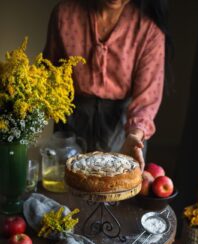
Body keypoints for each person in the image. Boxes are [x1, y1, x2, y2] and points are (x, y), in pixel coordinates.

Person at [43, 0, 169, 171]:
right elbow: (49, 71)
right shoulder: (64, 14)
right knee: (66, 190)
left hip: (122, 128)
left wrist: (134, 137)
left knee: (113, 190)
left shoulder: (148, 29)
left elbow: (146, 101)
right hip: (71, 121)